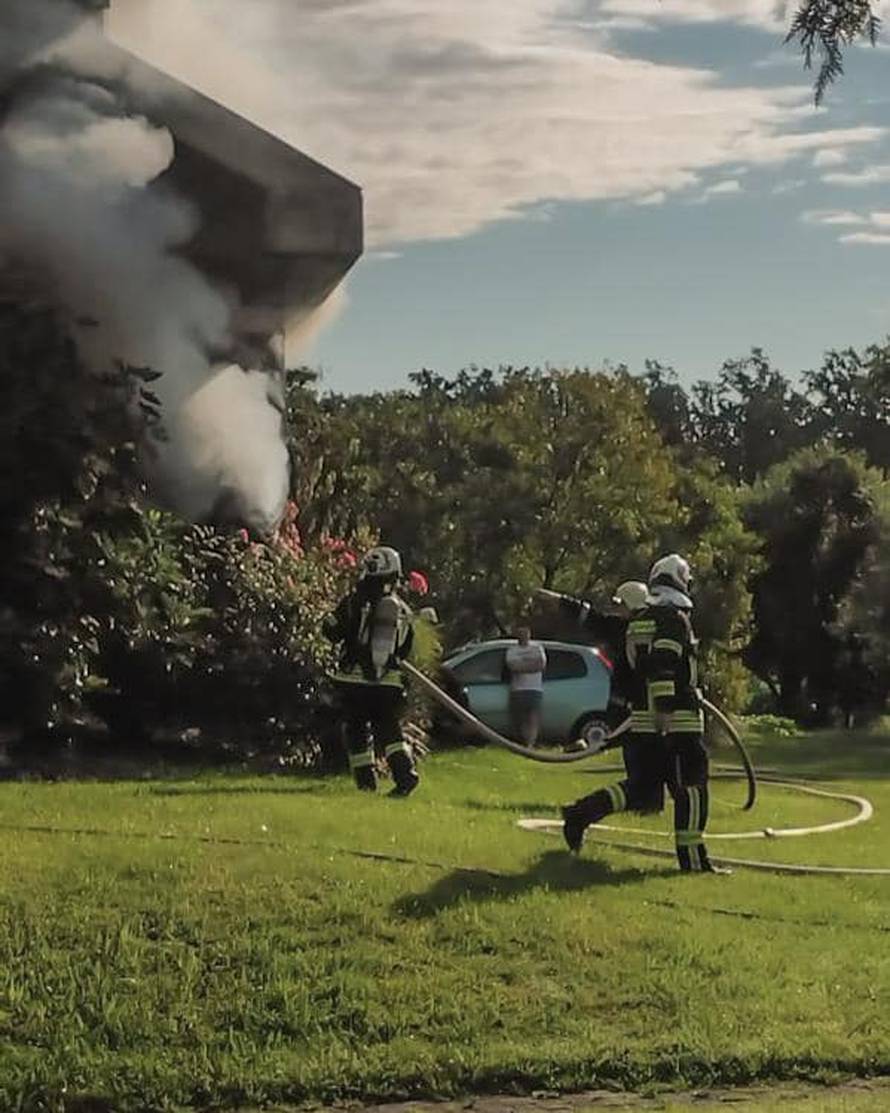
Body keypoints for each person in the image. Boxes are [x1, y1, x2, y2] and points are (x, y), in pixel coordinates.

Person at [562, 554, 726, 874]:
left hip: (643, 720)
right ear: (679, 580)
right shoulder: (672, 619)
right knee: (691, 788)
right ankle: (693, 862)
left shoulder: (640, 619)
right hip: (675, 721)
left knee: (642, 788)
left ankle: (580, 814)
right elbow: (662, 665)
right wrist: (666, 711)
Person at [324, 545, 420, 796]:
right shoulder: (403, 610)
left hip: (354, 680)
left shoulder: (355, 602)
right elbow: (405, 648)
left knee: (356, 729)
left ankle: (366, 783)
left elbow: (332, 632)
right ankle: (405, 773)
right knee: (389, 730)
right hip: (389, 683)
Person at [505, 626, 547, 745]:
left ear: (529, 635)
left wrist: (522, 666)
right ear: (517, 636)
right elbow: (512, 667)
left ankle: (530, 744)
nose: (523, 636)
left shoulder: (537, 648)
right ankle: (522, 742)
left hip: (534, 688)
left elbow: (541, 665)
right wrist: (531, 666)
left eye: (525, 634)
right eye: (520, 634)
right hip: (517, 689)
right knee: (519, 719)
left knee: (533, 718)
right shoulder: (512, 650)